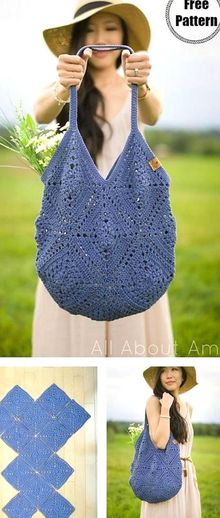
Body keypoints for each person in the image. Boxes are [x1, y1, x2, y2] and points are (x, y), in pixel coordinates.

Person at [32, 0, 174, 357]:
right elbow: (39, 113)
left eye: (110, 28)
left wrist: (141, 85)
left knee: (133, 282)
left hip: (131, 220)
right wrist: (63, 87)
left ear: (123, 37)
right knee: (74, 281)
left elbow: (154, 114)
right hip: (76, 220)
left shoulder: (134, 86)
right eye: (90, 30)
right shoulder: (70, 83)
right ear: (80, 38)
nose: (100, 39)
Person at [140, 366, 201, 517]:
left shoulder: (188, 407)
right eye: (163, 371)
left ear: (183, 376)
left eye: (174, 369)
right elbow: (160, 442)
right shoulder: (154, 401)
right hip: (164, 472)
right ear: (159, 377)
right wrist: (166, 408)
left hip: (187, 474)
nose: (169, 375)